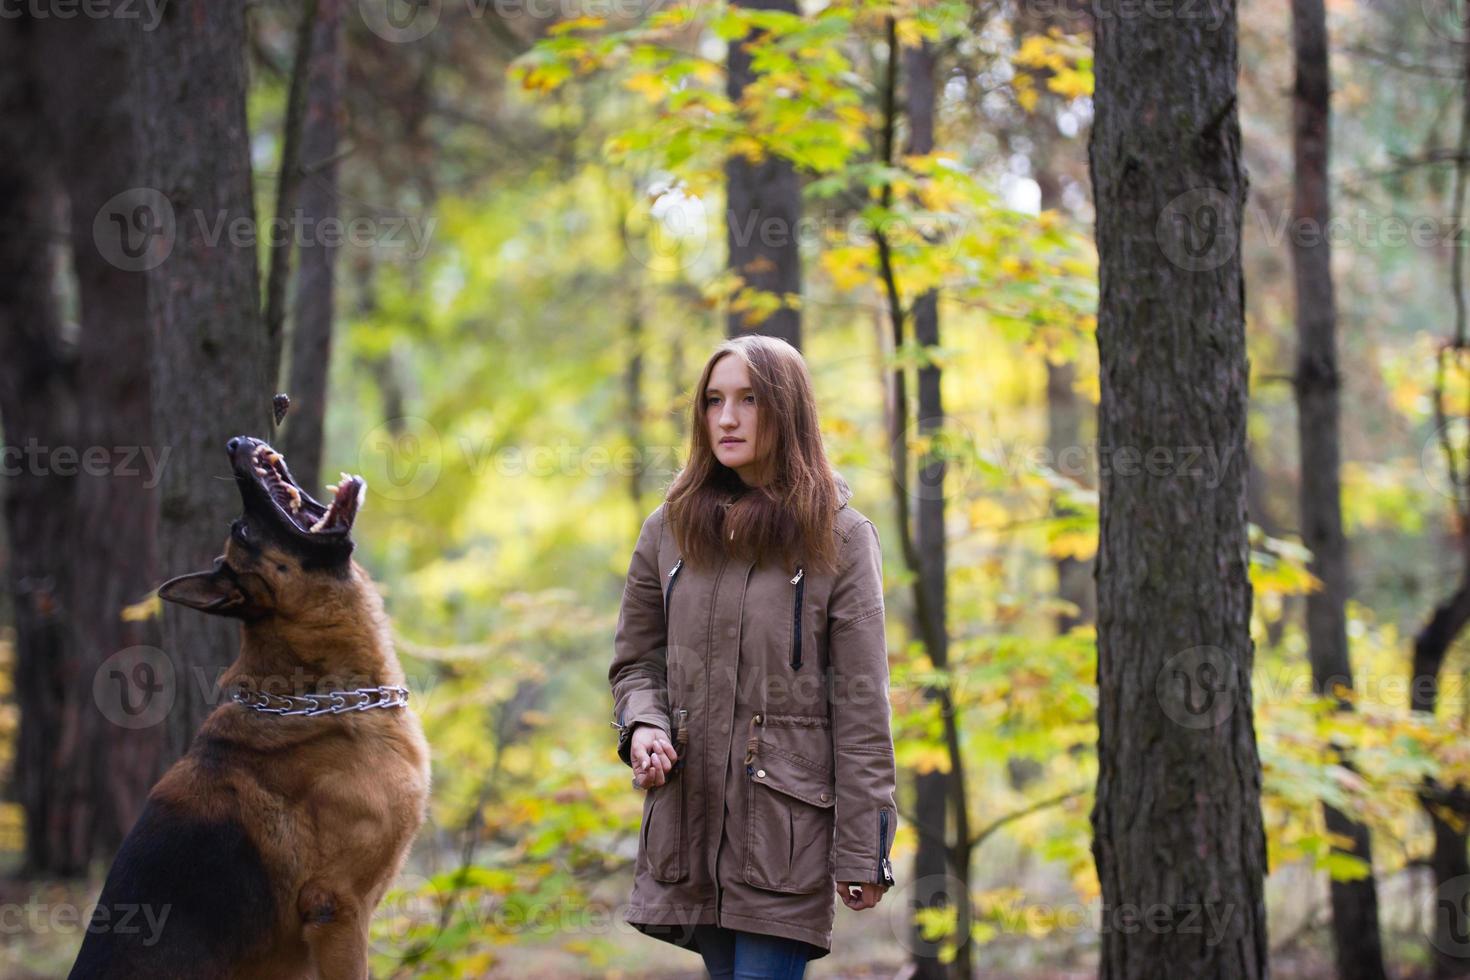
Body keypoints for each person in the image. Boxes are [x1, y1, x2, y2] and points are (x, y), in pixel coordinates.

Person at [608, 335, 898, 979]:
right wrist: (645, 725)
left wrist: (864, 849)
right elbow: (636, 663)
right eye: (714, 401)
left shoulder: (842, 536)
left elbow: (862, 707)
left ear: (787, 410)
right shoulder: (668, 529)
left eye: (749, 400)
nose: (727, 418)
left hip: (783, 834)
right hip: (688, 819)